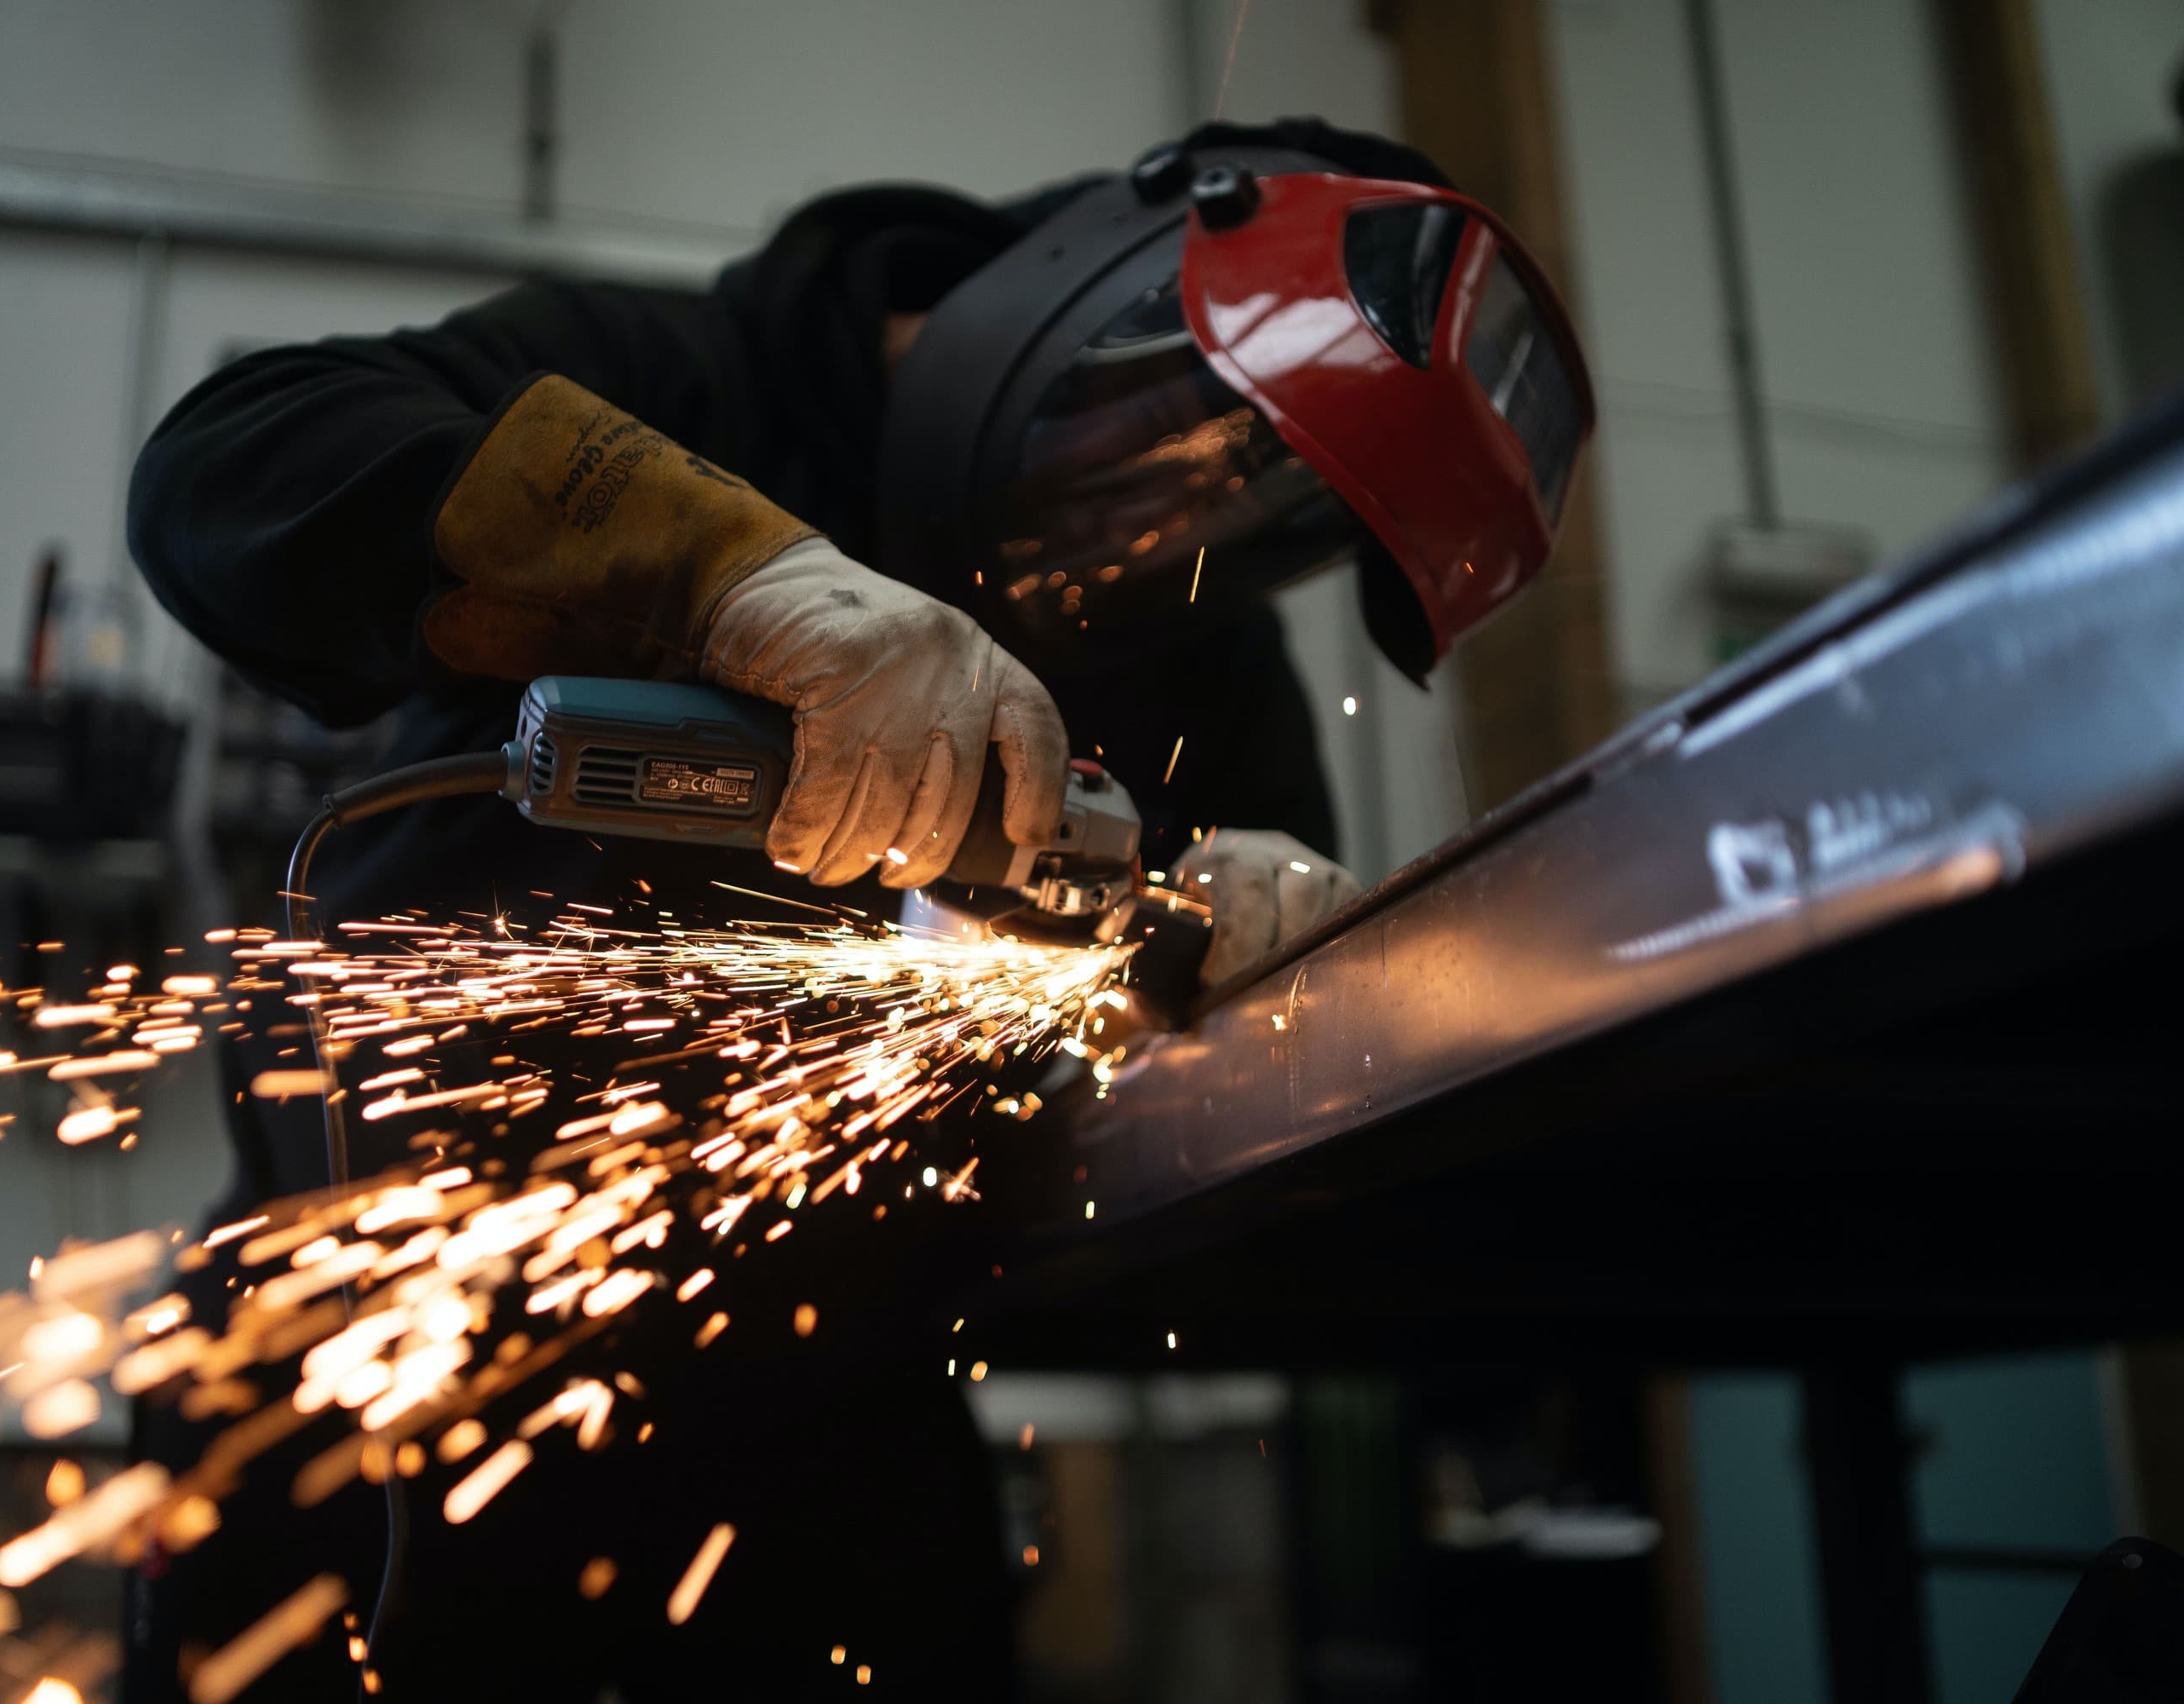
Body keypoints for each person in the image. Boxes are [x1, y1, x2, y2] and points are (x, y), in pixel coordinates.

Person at [124, 117, 1593, 1700]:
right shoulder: (683, 378)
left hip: (822, 1403)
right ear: (1091, 280)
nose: (1176, 526)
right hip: (371, 1346)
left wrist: (1252, 962)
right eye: (1195, 439)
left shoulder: (1189, 638)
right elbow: (233, 457)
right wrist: (728, 574)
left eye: (1272, 516)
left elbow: (1238, 1023)